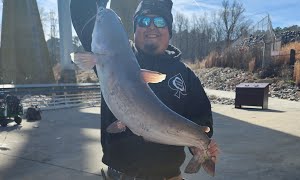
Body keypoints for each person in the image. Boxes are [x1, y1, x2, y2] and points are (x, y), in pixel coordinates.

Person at [70, 0, 218, 179]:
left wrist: (198, 143)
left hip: (170, 176)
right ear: (134, 29)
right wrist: (101, 7)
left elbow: (200, 114)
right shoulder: (111, 56)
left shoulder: (185, 74)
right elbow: (81, 7)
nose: (152, 27)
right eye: (144, 21)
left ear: (169, 30)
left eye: (160, 22)